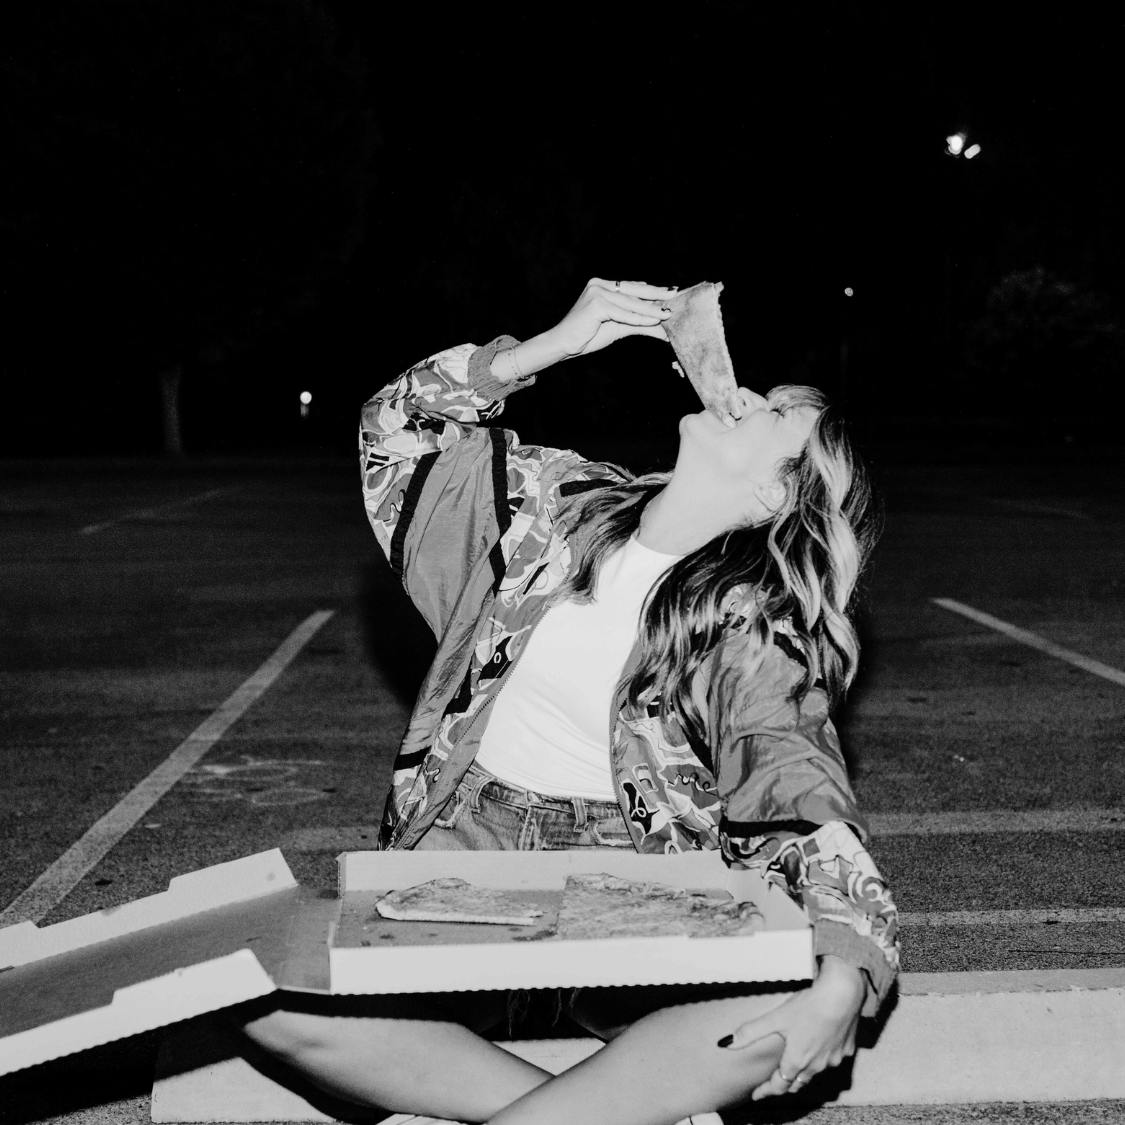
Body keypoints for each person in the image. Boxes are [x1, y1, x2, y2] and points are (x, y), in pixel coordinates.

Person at [242, 278, 899, 1124]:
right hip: (465, 858)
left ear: (776, 494)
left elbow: (798, 790)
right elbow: (394, 433)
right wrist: (544, 348)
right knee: (267, 996)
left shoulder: (748, 627)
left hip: (636, 885)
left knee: (774, 1014)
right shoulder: (556, 507)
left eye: (773, 412)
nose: (740, 393)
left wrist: (843, 975)